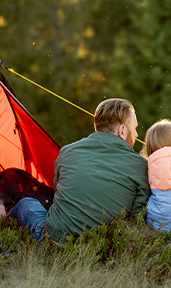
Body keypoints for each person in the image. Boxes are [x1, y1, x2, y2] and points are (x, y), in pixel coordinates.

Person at [9, 98, 150, 243]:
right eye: (135, 128)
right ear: (122, 130)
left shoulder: (68, 151)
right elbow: (138, 217)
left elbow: (59, 191)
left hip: (54, 240)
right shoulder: (141, 167)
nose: (136, 134)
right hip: (104, 247)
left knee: (27, 203)